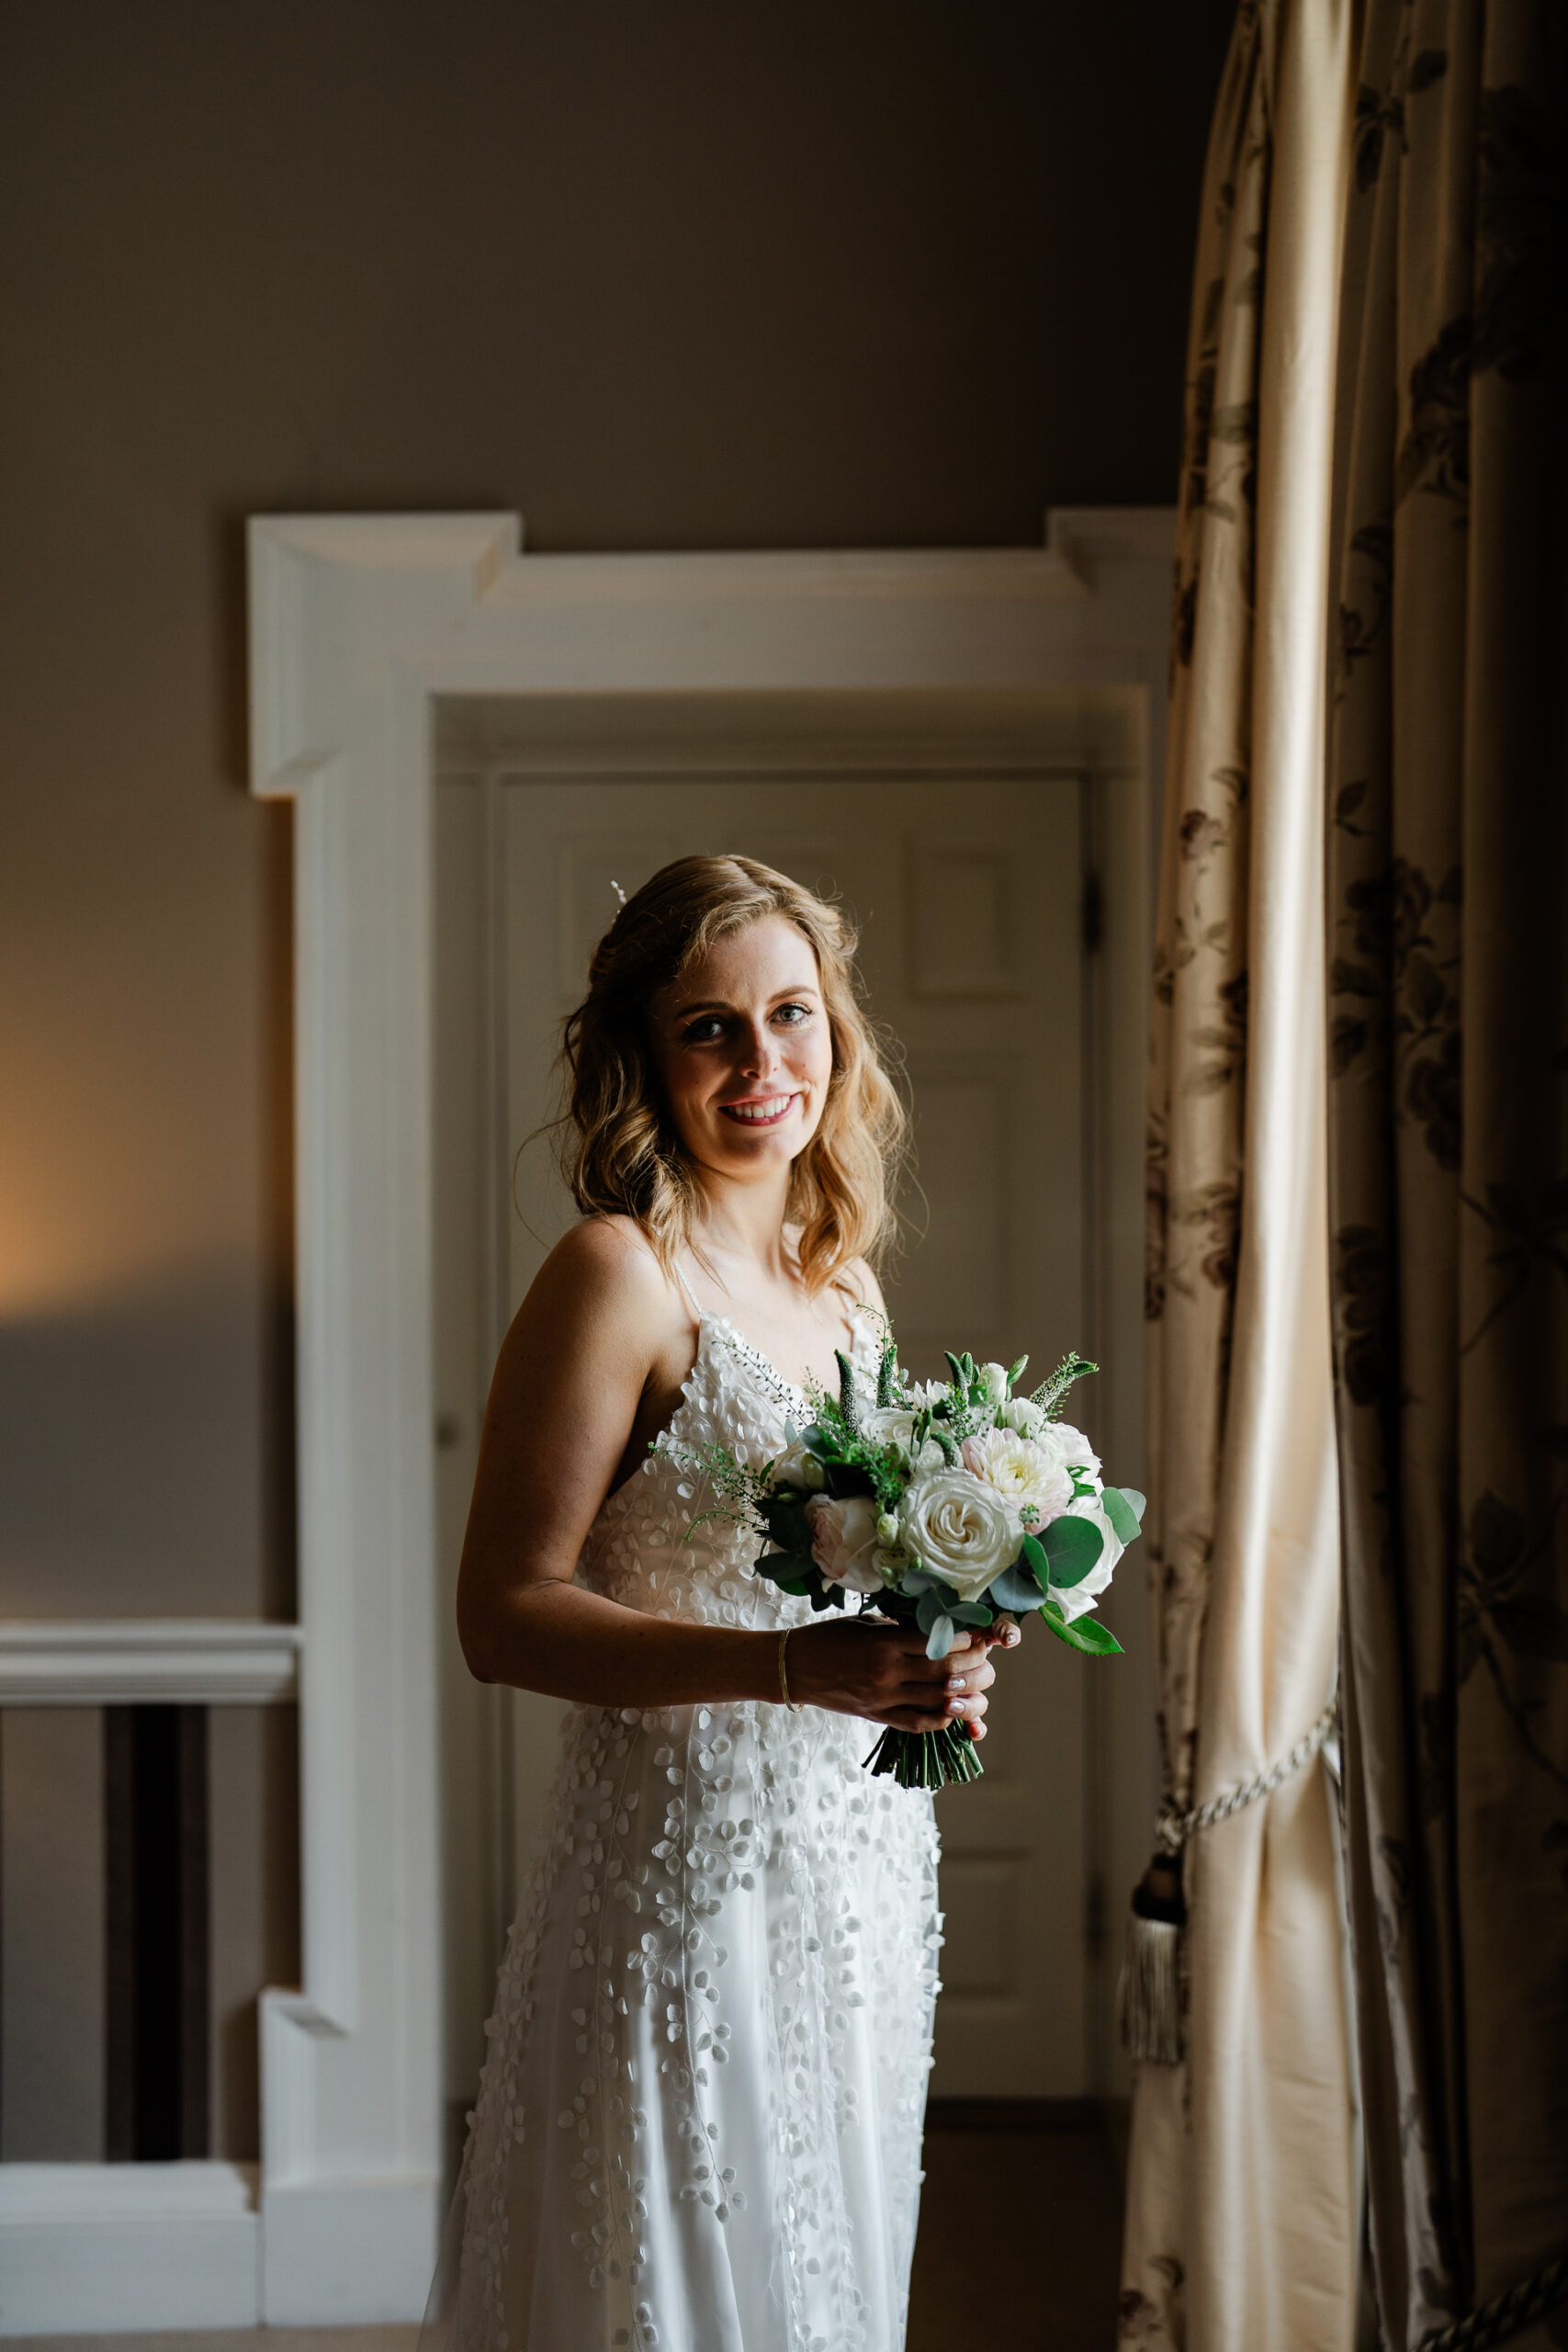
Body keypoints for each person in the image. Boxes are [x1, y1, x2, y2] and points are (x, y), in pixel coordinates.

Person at [425, 855, 1012, 2352]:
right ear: (644, 1055)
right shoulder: (618, 1277)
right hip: (687, 1876)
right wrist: (788, 1674)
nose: (765, 1065)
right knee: (677, 2264)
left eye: (793, 1016)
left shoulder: (846, 1286)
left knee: (832, 2263)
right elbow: (502, 1615)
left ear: (839, 1035)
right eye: (711, 1029)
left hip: (866, 1867)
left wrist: (941, 1647)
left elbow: (852, 1571)